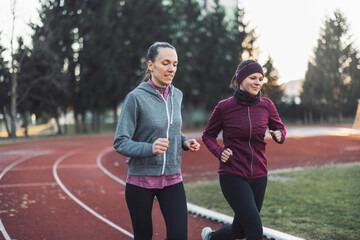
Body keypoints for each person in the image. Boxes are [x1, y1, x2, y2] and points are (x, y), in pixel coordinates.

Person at [113, 42, 200, 240]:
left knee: (179, 236)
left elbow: (171, 129)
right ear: (151, 65)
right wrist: (149, 148)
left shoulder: (177, 96)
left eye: (175, 64)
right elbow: (120, 142)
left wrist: (184, 141)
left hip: (172, 177)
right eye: (166, 63)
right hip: (140, 180)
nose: (171, 69)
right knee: (143, 236)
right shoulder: (135, 98)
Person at [201, 59, 286, 240]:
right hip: (233, 174)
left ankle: (211, 238)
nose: (258, 82)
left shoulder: (267, 105)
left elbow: (281, 128)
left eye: (261, 78)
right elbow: (208, 136)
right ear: (240, 79)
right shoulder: (224, 107)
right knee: (254, 230)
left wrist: (280, 135)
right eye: (253, 77)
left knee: (239, 230)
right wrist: (219, 151)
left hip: (259, 175)